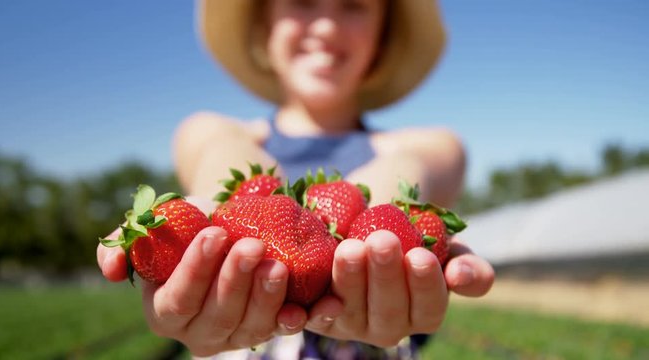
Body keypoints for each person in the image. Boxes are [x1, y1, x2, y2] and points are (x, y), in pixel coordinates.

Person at [97, 0, 495, 358]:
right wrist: (218, 208)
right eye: (301, 2)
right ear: (264, 25)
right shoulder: (216, 130)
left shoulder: (423, 144)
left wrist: (378, 223)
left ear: (383, 34)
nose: (325, 25)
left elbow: (419, 164)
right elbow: (215, 148)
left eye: (354, 5)